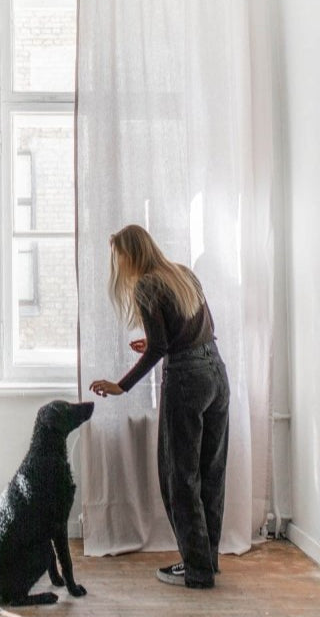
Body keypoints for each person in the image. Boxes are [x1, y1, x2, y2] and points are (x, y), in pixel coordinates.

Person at [89, 224, 230, 590]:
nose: (116, 263)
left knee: (178, 478)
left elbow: (159, 350)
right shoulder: (182, 273)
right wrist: (157, 341)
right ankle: (206, 562)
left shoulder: (146, 284)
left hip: (186, 381)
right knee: (210, 474)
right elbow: (201, 327)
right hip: (215, 372)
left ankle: (196, 571)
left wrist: (121, 386)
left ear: (129, 254)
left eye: (117, 255)